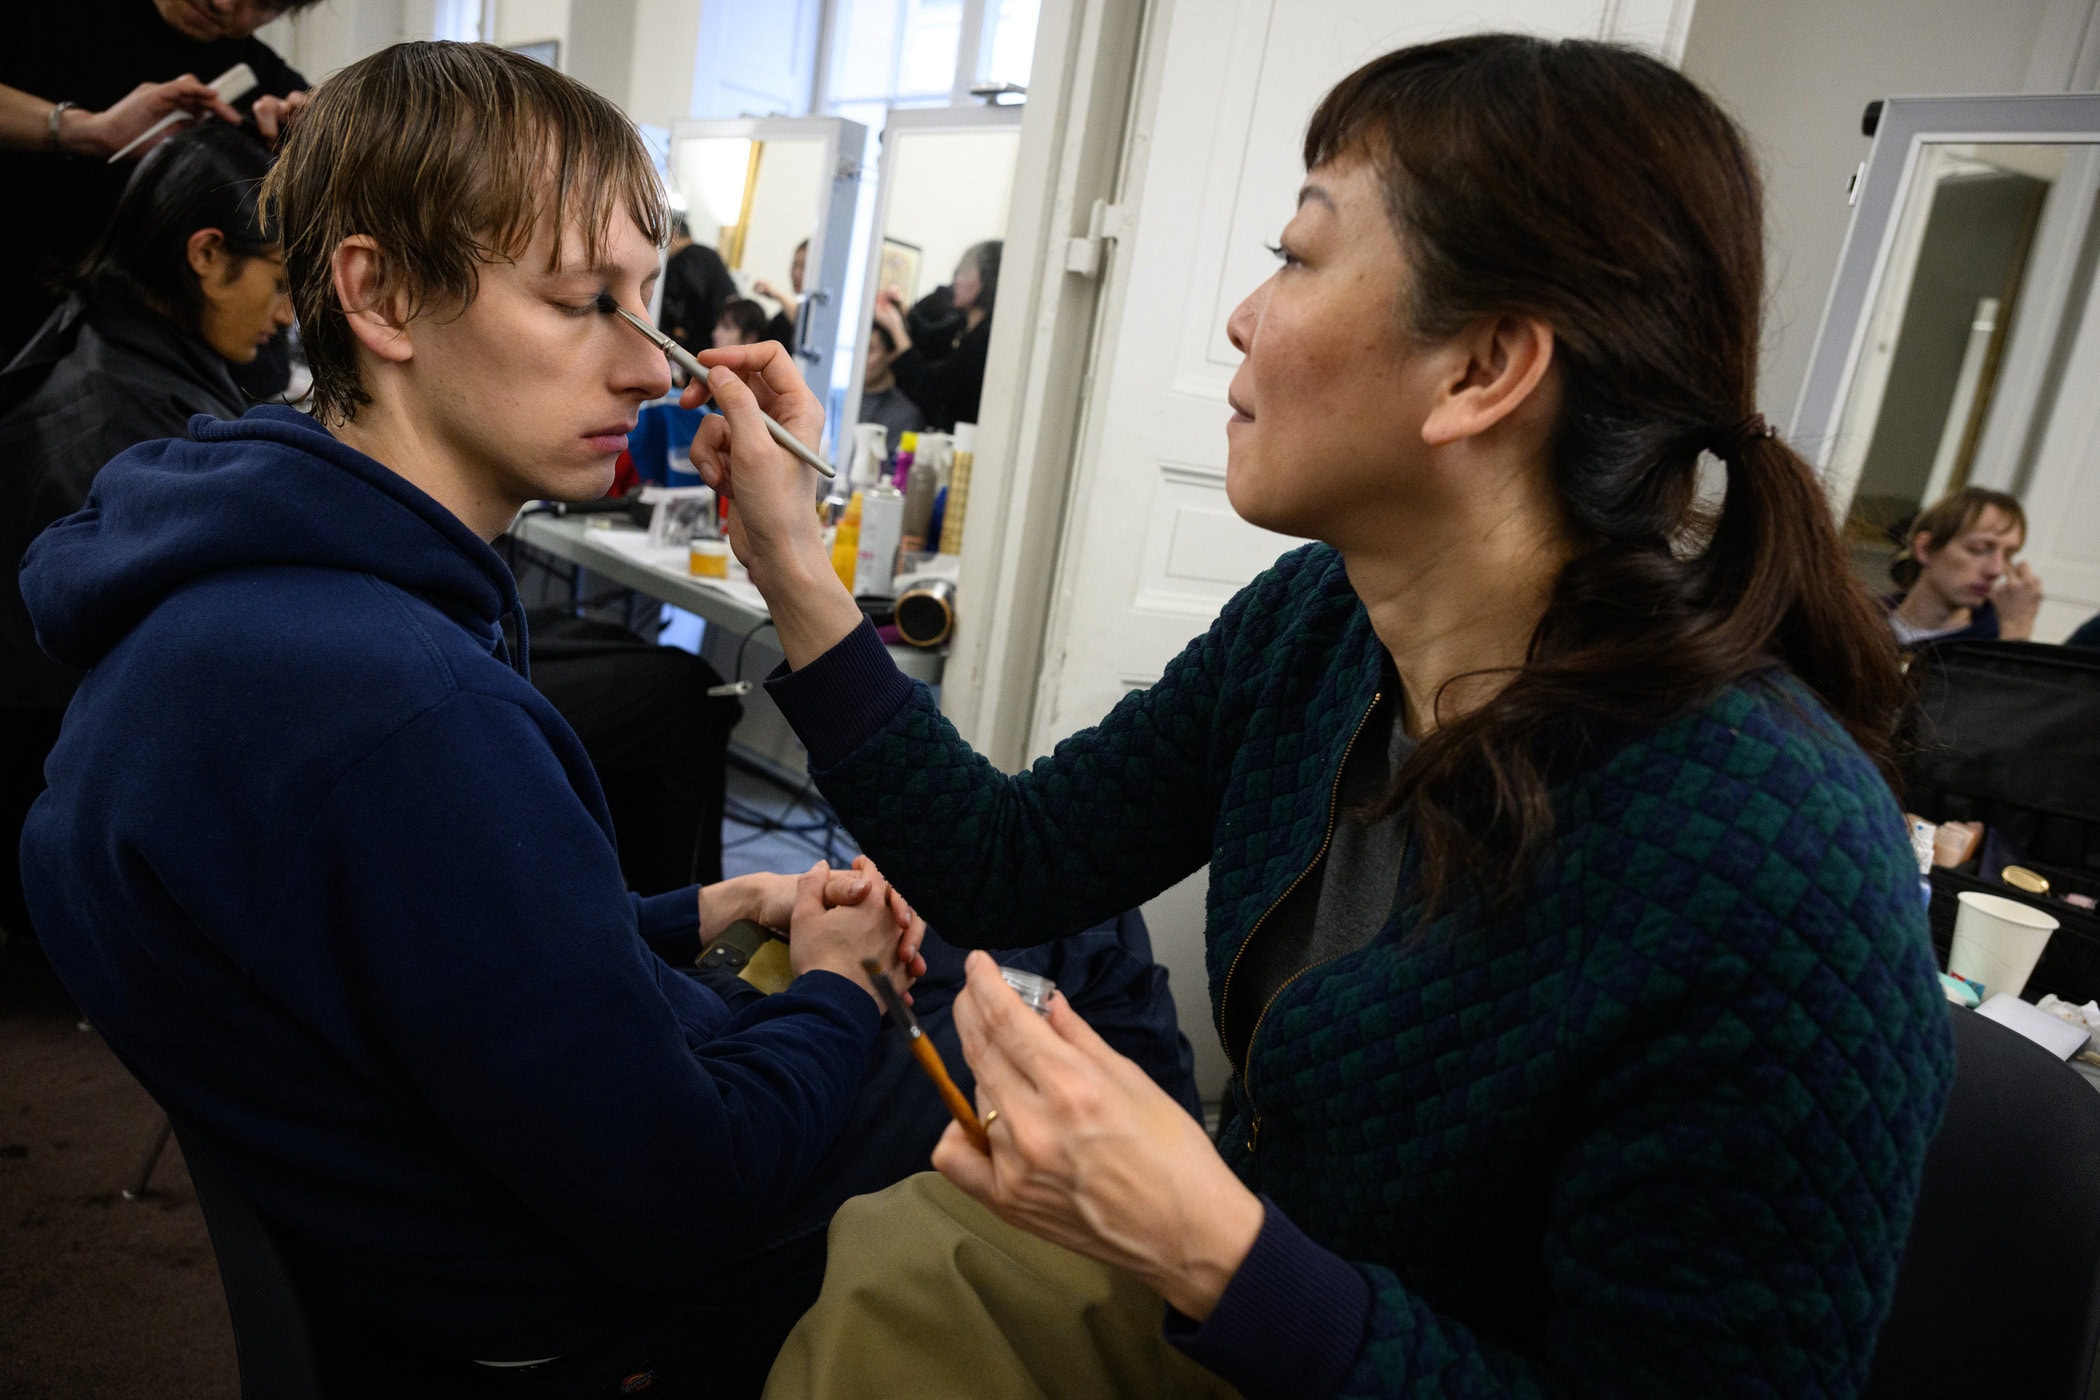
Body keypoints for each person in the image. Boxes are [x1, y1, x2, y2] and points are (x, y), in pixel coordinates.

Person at [691, 34, 1955, 1397]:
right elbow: (1006, 861)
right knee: (908, 1259)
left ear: (1483, 369)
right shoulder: (1318, 629)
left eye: (1297, 257)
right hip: (1286, 1315)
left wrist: (1223, 1253)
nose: (1243, 315)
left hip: (1320, 1335)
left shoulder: (1771, 869)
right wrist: (794, 568)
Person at [17, 43, 939, 1398]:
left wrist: (702, 909)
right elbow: (686, 1192)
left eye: (648, 299)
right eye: (583, 302)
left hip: (415, 1245)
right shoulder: (408, 713)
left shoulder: (214, 596)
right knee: (1033, 1002)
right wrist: (836, 990)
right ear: (378, 294)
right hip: (565, 1308)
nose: (649, 368)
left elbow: (407, 959)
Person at [0, 121, 290, 946]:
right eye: (277, 280)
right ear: (205, 253)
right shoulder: (106, 411)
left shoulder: (127, 360)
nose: (288, 312)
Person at [0, 1, 314, 364]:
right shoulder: (42, 16)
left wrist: (311, 156)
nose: (222, 3)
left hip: (182, 373)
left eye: (262, 3)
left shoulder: (271, 92)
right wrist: (85, 130)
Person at [1885, 485, 2043, 650]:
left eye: (2008, 556)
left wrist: (2015, 631)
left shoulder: (1992, 643)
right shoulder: (1865, 620)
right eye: (1978, 549)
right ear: (1925, 549)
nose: (1996, 570)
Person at [874, 239, 999, 432]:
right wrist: (901, 311)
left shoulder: (986, 337)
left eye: (965, 271)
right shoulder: (964, 324)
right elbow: (929, 337)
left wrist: (896, 329)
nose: (956, 279)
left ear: (987, 279)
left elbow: (932, 387)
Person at [658, 214, 736, 355]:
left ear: (674, 234)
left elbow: (685, 293)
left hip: (702, 335)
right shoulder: (708, 253)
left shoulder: (685, 258)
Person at [856, 319, 924, 444]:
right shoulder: (839, 400)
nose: (860, 357)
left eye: (869, 350)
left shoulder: (905, 415)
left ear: (891, 354)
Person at [755, 237, 807, 351]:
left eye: (803, 266)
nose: (796, 273)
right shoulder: (782, 317)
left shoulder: (812, 319)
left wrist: (777, 295)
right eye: (794, 265)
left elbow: (803, 325)